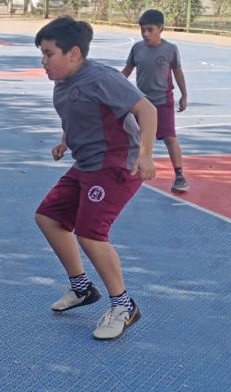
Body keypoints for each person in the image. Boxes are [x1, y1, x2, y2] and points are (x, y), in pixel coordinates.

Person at [33, 16, 157, 340]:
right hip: (87, 164)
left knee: (91, 233)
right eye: (42, 54)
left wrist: (145, 153)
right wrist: (65, 140)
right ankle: (82, 288)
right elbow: (76, 114)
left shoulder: (101, 77)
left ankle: (124, 305)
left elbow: (147, 110)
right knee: (48, 217)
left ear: (73, 53)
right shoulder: (63, 84)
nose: (43, 61)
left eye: (49, 53)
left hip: (116, 165)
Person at [121, 9, 188, 194]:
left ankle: (180, 175)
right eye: (143, 29)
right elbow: (126, 71)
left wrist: (184, 95)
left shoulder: (170, 49)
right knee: (129, 135)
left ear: (161, 28)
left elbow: (178, 73)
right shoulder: (137, 48)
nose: (145, 34)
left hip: (162, 101)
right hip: (140, 102)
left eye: (150, 30)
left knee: (169, 137)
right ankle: (127, 169)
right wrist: (111, 86)